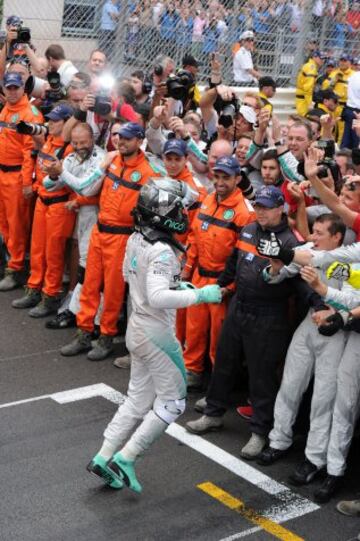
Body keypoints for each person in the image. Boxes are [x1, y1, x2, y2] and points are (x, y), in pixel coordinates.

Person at [86, 178, 222, 493]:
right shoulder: (162, 250)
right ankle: (127, 456)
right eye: (179, 206)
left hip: (137, 325)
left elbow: (131, 278)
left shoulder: (136, 238)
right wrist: (200, 295)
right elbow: (159, 296)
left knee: (137, 399)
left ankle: (103, 456)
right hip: (156, 332)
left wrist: (178, 288)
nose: (184, 211)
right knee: (173, 403)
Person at [186, 186, 325, 459]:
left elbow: (302, 283)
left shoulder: (291, 243)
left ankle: (260, 431)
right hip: (239, 304)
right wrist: (222, 287)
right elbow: (233, 263)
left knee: (261, 376)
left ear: (280, 208)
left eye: (266, 206)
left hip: (269, 314)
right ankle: (213, 413)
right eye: (258, 206)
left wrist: (319, 305)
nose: (260, 211)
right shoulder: (248, 229)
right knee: (224, 362)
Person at [257, 215, 359, 493]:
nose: (313, 236)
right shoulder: (309, 252)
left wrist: (332, 311)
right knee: (290, 383)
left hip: (336, 334)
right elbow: (277, 275)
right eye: (312, 231)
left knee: (323, 399)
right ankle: (279, 440)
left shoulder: (350, 262)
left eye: (319, 233)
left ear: (337, 237)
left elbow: (352, 296)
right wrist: (275, 266)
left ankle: (314, 459)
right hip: (308, 324)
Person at [60, 123, 158, 361]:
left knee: (113, 291)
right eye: (119, 137)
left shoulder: (148, 171)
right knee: (90, 284)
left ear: (139, 140)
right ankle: (84, 332)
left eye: (127, 138)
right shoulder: (111, 160)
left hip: (122, 236)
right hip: (100, 230)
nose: (121, 141)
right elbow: (90, 189)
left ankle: (105, 337)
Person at [182, 156, 255, 388]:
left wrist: (228, 288)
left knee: (219, 338)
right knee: (194, 329)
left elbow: (244, 258)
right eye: (218, 176)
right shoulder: (208, 199)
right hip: (199, 276)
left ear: (237, 179)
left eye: (226, 177)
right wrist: (186, 270)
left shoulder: (245, 213)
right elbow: (194, 237)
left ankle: (218, 383)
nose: (220, 182)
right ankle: (192, 371)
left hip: (222, 283)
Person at [11, 103, 76, 317]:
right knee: (37, 249)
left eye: (56, 121)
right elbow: (33, 161)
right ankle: (34, 288)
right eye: (50, 120)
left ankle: (50, 295)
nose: (50, 124)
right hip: (42, 201)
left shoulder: (70, 148)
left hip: (59, 204)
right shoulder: (46, 141)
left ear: (66, 123)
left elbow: (69, 182)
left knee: (53, 253)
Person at [44, 123, 106, 330]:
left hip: (101, 220)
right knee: (84, 266)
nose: (80, 146)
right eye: (76, 142)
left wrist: (61, 172)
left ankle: (88, 316)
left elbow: (86, 188)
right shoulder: (72, 157)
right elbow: (48, 185)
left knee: (92, 269)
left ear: (92, 139)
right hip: (84, 218)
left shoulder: (101, 158)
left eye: (84, 142)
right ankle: (80, 312)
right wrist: (54, 174)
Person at [0, 72, 43, 291]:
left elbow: (31, 152)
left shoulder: (29, 114)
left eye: (16, 87)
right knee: (5, 224)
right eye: (9, 88)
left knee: (16, 226)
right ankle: (10, 261)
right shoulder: (6, 109)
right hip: (3, 173)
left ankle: (15, 269)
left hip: (17, 176)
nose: (13, 91)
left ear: (22, 88)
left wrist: (27, 183)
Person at [295, 51, 326, 116]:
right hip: (304, 99)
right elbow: (308, 88)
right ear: (314, 57)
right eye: (321, 58)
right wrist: (309, 103)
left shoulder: (309, 65)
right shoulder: (311, 67)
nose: (323, 61)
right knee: (304, 120)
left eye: (324, 59)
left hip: (302, 98)